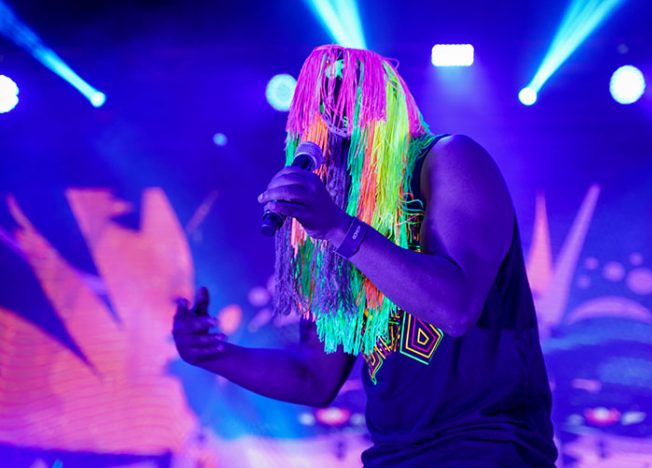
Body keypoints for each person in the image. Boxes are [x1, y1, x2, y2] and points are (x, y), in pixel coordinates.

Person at [172, 44, 558, 467]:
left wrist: (338, 228)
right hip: (393, 455)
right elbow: (314, 378)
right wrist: (213, 354)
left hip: (487, 446)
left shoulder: (448, 159)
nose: (331, 121)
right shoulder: (334, 220)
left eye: (344, 103)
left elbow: (456, 308)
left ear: (383, 105)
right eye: (318, 110)